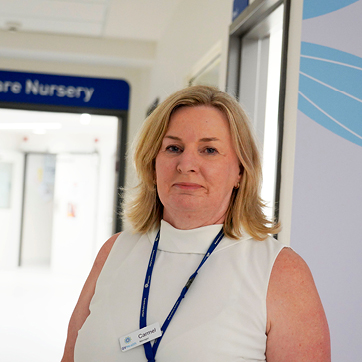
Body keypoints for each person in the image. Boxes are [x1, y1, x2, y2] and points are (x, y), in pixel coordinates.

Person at [61, 85, 331, 362]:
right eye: (173, 147)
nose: (186, 163)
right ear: (152, 164)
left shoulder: (281, 271)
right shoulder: (114, 251)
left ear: (240, 170)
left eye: (209, 150)